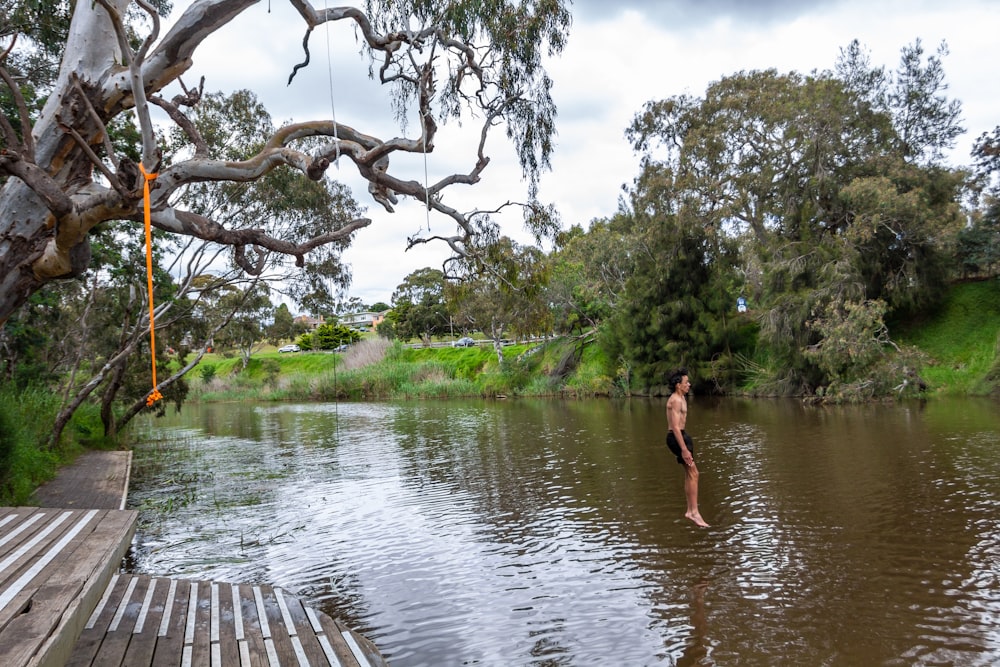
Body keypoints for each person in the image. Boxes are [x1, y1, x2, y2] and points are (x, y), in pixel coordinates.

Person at [666, 367, 709, 527]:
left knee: (691, 473)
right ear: (678, 385)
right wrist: (684, 449)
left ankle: (691, 510)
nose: (689, 384)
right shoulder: (676, 400)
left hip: (682, 437)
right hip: (677, 438)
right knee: (693, 473)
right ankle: (693, 512)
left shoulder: (680, 397)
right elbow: (675, 427)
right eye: (686, 382)